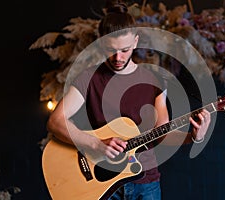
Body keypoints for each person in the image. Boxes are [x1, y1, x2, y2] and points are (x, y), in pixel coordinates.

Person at [46, 1, 211, 199]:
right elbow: (55, 121)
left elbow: (162, 134)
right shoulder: (89, 78)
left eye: (124, 49)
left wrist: (194, 136)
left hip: (146, 185)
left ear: (135, 41)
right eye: (110, 49)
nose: (117, 57)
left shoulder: (155, 80)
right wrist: (96, 144)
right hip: (104, 186)